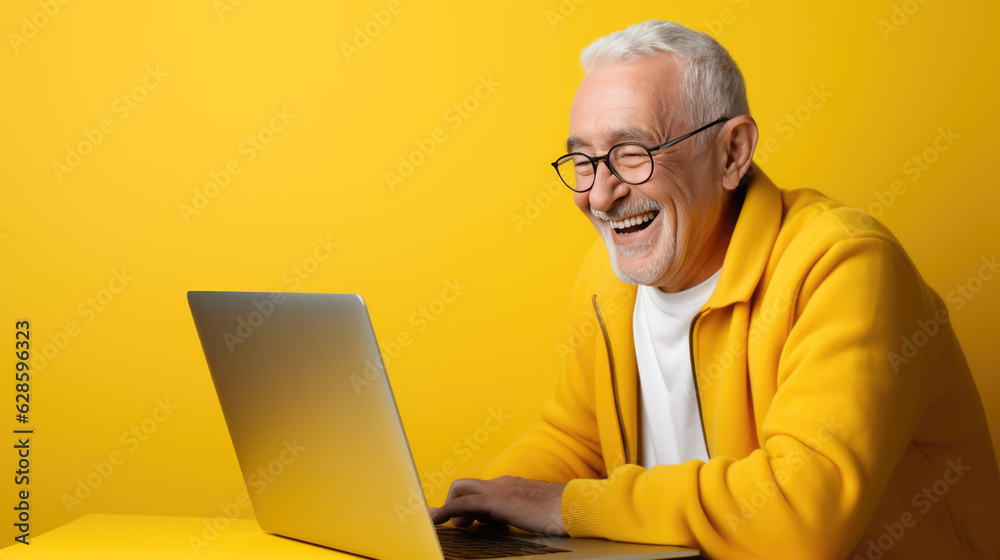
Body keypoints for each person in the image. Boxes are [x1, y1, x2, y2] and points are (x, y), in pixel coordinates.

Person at [429, 20, 1000, 559]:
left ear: (731, 153)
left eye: (632, 154)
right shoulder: (608, 279)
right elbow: (577, 440)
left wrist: (566, 505)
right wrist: (471, 515)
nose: (599, 197)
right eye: (583, 161)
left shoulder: (845, 264)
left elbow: (804, 514)